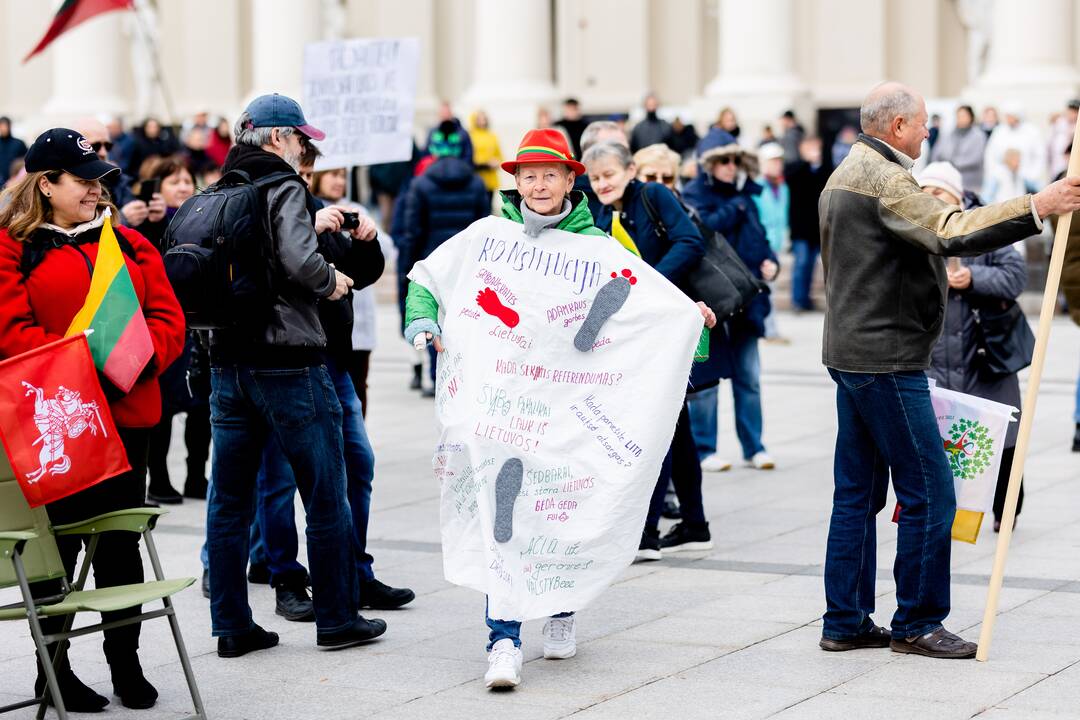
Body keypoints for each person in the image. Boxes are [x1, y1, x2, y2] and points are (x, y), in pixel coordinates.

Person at [404, 127, 710, 689]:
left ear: (572, 179)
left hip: (567, 409)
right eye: (529, 176)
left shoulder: (599, 249)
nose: (539, 185)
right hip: (500, 406)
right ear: (515, 181)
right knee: (505, 516)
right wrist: (422, 319)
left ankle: (562, 607)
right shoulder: (484, 239)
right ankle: (504, 639)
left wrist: (688, 320)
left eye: (550, 175)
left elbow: (649, 302)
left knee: (558, 509)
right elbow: (427, 276)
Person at [817, 81, 1080, 659]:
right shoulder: (883, 179)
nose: (929, 130)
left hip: (854, 351)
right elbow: (950, 230)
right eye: (922, 122)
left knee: (857, 493)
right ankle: (916, 621)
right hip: (885, 359)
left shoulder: (847, 172)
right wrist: (1039, 205)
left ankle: (845, 620)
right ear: (895, 128)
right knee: (932, 489)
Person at [0, 128, 186, 710]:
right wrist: (80, 363)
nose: (96, 190)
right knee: (58, 555)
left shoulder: (130, 243)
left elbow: (167, 320)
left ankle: (124, 665)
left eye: (99, 180)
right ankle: (51, 672)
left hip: (126, 418)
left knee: (120, 549)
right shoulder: (11, 247)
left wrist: (131, 357)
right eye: (82, 180)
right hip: (57, 425)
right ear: (46, 184)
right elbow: (11, 333)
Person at [205, 93, 386, 656]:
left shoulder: (218, 190)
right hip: (287, 361)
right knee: (326, 493)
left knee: (229, 502)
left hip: (227, 365)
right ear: (279, 138)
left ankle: (232, 625)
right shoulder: (281, 186)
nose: (304, 150)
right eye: (301, 140)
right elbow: (302, 262)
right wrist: (332, 281)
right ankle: (336, 617)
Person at [245, 148, 414, 622]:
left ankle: (353, 570)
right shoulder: (269, 208)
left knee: (358, 462)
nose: (308, 179)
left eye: (314, 172)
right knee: (279, 479)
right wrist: (311, 233)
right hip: (282, 363)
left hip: (332, 362)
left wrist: (365, 240)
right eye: (307, 171)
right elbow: (270, 270)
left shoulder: (323, 215)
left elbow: (360, 276)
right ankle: (286, 578)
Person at [584, 140, 713, 556]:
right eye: (596, 178)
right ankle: (694, 525)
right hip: (637, 330)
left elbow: (689, 241)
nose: (603, 183)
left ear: (629, 171)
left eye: (609, 175)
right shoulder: (601, 212)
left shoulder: (652, 196)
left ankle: (646, 534)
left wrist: (649, 284)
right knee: (677, 429)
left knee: (655, 424)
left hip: (666, 323)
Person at [918, 162, 1027, 533]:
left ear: (956, 196)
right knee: (949, 439)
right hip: (938, 354)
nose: (930, 200)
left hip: (986, 352)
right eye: (925, 192)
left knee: (1003, 435)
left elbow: (1015, 276)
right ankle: (956, 509)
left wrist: (972, 278)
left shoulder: (987, 225)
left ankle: (1007, 504)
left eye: (937, 193)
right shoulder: (917, 228)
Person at [682, 128, 779, 472]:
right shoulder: (694, 195)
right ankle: (705, 449)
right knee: (706, 382)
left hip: (748, 300)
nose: (730, 166)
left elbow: (761, 240)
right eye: (722, 160)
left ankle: (755, 447)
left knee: (749, 378)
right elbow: (701, 233)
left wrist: (772, 265)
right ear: (708, 163)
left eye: (735, 160)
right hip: (711, 303)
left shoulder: (746, 196)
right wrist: (735, 206)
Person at [133, 156, 211, 504]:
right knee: (162, 408)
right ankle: (159, 478)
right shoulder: (144, 227)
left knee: (201, 408)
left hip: (199, 327)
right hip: (163, 326)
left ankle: (197, 476)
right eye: (173, 182)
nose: (182, 187)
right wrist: (146, 225)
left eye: (186, 180)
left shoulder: (204, 219)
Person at [400, 122, 490, 396]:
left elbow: (412, 231)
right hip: (468, 265)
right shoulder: (476, 183)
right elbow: (485, 228)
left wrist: (408, 268)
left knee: (433, 321)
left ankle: (436, 378)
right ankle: (464, 380)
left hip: (433, 261)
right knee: (468, 322)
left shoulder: (421, 184)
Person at [74, 118, 147, 227]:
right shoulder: (70, 185)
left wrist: (156, 218)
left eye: (108, 146)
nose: (103, 152)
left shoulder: (117, 178)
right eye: (95, 146)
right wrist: (120, 219)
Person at [785, 136, 829, 312]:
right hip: (800, 229)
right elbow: (792, 179)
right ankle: (797, 300)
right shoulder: (796, 168)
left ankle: (805, 299)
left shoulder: (824, 169)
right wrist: (806, 162)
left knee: (811, 265)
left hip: (816, 228)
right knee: (801, 264)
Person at [984, 104, 1046, 191]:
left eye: (1011, 116)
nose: (1008, 119)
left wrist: (1032, 175)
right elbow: (990, 155)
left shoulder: (1032, 131)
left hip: (1027, 177)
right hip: (1002, 178)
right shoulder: (999, 131)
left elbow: (1040, 156)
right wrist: (995, 174)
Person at [931, 105, 988, 192]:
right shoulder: (949, 133)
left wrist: (952, 163)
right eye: (958, 116)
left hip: (970, 183)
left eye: (963, 116)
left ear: (971, 117)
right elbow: (937, 152)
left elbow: (976, 159)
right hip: (949, 181)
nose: (960, 119)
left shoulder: (978, 135)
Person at [469, 110, 503, 202]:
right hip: (476, 177)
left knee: (488, 206)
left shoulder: (492, 136)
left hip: (490, 178)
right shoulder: (470, 136)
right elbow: (468, 156)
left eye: (484, 118)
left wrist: (496, 162)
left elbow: (499, 155)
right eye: (479, 119)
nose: (482, 121)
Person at [0, 116, 27, 186]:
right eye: (1, 126)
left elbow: (26, 161)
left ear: (9, 126)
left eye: (4, 126)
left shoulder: (19, 143)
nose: (3, 128)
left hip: (16, 182)